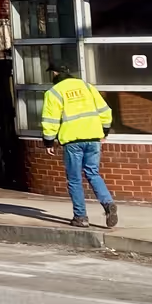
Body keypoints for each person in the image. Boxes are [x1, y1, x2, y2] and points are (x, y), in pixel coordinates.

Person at [41, 63, 117, 228]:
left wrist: (48, 141)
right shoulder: (87, 87)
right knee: (93, 174)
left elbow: (50, 120)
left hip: (73, 141)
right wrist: (104, 132)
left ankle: (81, 217)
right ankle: (107, 203)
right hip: (93, 138)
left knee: (75, 180)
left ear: (55, 73)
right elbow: (105, 111)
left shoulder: (53, 92)